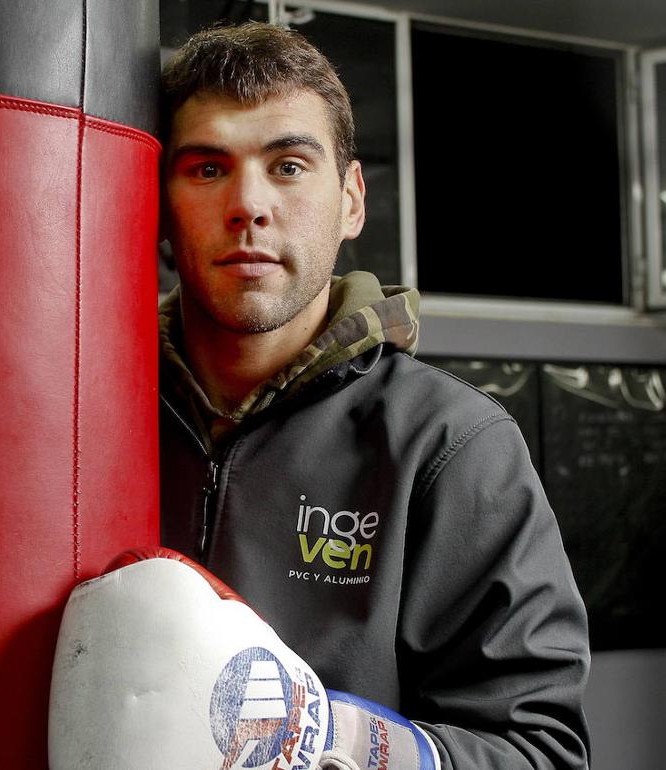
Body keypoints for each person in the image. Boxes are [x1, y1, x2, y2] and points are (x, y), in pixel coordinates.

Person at [152, 21, 589, 770]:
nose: (249, 205)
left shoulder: (447, 445)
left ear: (351, 200)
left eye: (288, 165)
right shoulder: (79, 413)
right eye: (206, 169)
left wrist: (354, 745)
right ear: (159, 205)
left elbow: (540, 751)